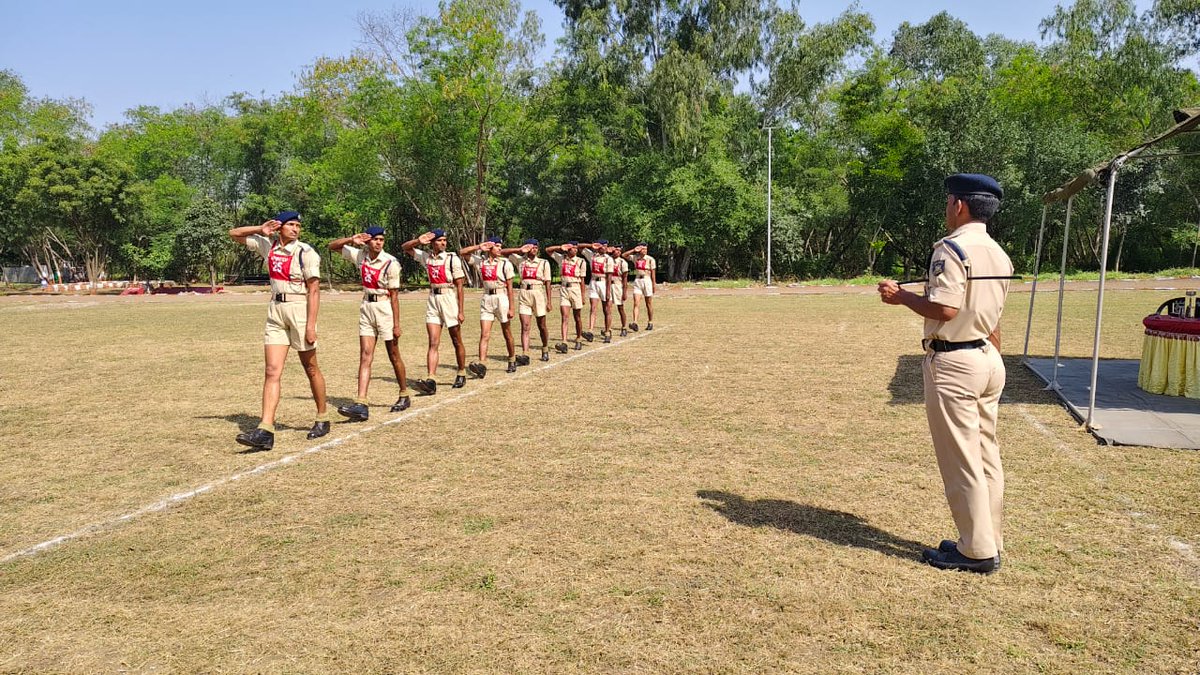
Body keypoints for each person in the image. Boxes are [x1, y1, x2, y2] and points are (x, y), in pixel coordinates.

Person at [877, 173, 1013, 575]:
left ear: (959, 205)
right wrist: (993, 356)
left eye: (948, 201)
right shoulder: (998, 253)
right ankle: (988, 539)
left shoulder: (951, 249)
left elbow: (946, 308)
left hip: (955, 362)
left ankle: (975, 550)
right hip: (987, 356)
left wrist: (900, 296)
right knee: (986, 456)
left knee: (961, 461)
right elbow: (993, 315)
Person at [228, 211, 330, 450]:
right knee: (272, 370)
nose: (295, 229)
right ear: (279, 227)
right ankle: (265, 430)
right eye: (290, 224)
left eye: (298, 225)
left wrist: (311, 325)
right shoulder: (269, 246)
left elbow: (314, 290)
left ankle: (322, 417)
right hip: (276, 310)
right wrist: (260, 229)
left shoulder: (306, 252)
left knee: (310, 367)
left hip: (299, 309)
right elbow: (234, 234)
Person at [328, 225, 410, 422]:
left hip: (384, 308)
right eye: (375, 239)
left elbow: (395, 296)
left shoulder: (390, 262)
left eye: (381, 239)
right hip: (366, 306)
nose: (378, 243)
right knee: (365, 355)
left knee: (393, 354)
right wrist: (351, 239)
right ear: (367, 241)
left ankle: (404, 393)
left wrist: (396, 324)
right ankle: (361, 403)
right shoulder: (361, 256)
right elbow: (332, 246)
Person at [402, 229, 468, 395]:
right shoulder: (427, 257)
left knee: (456, 339)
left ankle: (461, 372)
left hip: (448, 298)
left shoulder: (452, 258)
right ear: (432, 242)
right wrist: (419, 241)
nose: (443, 243)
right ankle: (431, 379)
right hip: (433, 299)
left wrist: (461, 310)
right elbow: (406, 248)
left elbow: (460, 285)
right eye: (439, 240)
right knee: (433, 341)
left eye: (444, 240)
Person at [460, 236, 517, 376]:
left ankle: (512, 359)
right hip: (487, 298)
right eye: (497, 246)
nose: (499, 249)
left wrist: (511, 307)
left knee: (507, 332)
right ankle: (482, 364)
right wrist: (479, 247)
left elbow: (510, 287)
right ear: (490, 247)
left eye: (500, 246)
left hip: (501, 297)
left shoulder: (505, 263)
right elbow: (463, 252)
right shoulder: (481, 262)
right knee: (484, 334)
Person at [500, 240, 553, 364]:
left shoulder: (543, 263)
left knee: (542, 325)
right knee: (525, 326)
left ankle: (545, 348)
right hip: (524, 293)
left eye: (536, 247)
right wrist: (520, 250)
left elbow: (548, 283)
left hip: (538, 293)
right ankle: (525, 354)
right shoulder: (520, 261)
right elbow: (503, 252)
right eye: (531, 247)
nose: (534, 249)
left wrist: (549, 301)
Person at [547, 241, 594, 352]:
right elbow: (548, 250)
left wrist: (583, 296)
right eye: (573, 248)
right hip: (564, 289)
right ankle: (564, 342)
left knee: (577, 317)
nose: (575, 250)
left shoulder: (581, 261)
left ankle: (578, 338)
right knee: (565, 316)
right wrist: (560, 247)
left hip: (575, 288)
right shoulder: (562, 259)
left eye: (576, 248)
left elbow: (582, 280)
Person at [580, 240, 615, 342]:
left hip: (604, 282)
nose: (604, 248)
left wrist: (608, 291)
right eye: (602, 246)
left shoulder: (608, 259)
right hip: (593, 282)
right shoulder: (592, 256)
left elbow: (609, 276)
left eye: (606, 246)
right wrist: (591, 245)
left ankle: (607, 331)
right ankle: (590, 331)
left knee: (606, 309)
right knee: (593, 308)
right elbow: (579, 247)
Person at [623, 242, 657, 331]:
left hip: (647, 280)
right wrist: (634, 250)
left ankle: (650, 321)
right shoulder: (635, 257)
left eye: (646, 249)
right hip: (638, 280)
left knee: (648, 303)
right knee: (636, 303)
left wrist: (654, 284)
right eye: (643, 249)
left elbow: (653, 273)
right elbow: (624, 255)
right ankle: (635, 322)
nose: (645, 251)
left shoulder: (650, 259)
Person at [608, 244, 630, 337]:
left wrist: (624, 292)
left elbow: (625, 278)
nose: (617, 252)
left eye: (619, 250)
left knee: (620, 307)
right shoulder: (608, 259)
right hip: (609, 285)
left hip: (618, 285)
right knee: (608, 308)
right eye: (616, 250)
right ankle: (608, 328)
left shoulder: (622, 262)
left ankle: (624, 327)